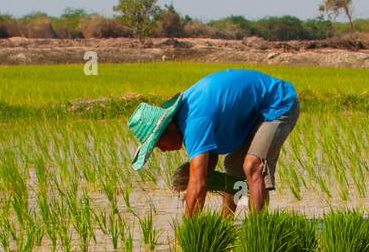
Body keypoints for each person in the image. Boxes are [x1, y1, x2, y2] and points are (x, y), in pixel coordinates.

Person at [128, 68, 300, 216]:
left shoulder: (194, 123)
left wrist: (189, 231)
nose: (163, 150)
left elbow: (199, 183)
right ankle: (226, 224)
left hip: (278, 103)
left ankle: (259, 232)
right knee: (233, 167)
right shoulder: (184, 120)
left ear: (166, 130)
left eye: (158, 144)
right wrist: (188, 184)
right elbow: (209, 161)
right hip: (252, 113)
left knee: (252, 165)